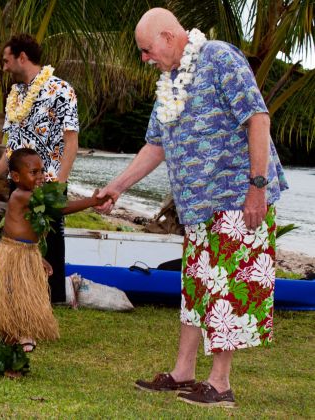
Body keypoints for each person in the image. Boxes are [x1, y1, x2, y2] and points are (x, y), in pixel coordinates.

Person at [96, 8, 288, 407]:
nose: (145, 58)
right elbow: (155, 145)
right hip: (196, 208)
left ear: (168, 37)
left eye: (147, 49)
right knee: (197, 290)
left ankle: (220, 384)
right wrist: (116, 186)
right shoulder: (168, 83)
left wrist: (257, 187)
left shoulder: (218, 56)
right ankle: (183, 372)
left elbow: (257, 118)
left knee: (228, 291)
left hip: (236, 197)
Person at [0, 33, 79, 304]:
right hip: (19, 180)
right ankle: (21, 295)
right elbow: (12, 146)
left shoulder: (61, 89)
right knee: (19, 239)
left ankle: (50, 299)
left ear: (22, 57)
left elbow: (71, 141)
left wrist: (59, 182)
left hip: (48, 180)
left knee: (51, 239)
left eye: (6, 60)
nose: (4, 67)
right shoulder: (15, 95)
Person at [0, 149, 108, 352]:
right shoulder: (21, 195)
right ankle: (15, 332)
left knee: (25, 293)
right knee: (15, 294)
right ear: (16, 177)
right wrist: (93, 201)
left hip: (27, 252)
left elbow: (31, 231)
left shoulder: (31, 195)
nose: (40, 176)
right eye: (33, 172)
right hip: (13, 253)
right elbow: (60, 209)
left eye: (42, 171)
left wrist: (38, 258)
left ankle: (23, 332)